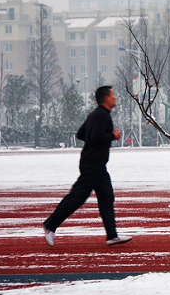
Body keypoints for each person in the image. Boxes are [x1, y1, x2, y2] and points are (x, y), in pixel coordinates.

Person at [42, 86, 132, 247]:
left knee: (107, 197)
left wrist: (94, 145)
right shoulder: (102, 116)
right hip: (92, 165)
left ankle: (112, 235)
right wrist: (113, 135)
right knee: (77, 197)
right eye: (113, 95)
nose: (115, 97)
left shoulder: (95, 115)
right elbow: (94, 136)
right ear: (106, 98)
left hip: (97, 165)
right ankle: (50, 225)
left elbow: (81, 134)